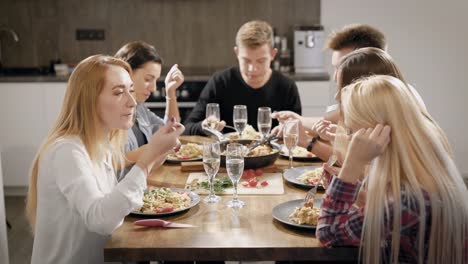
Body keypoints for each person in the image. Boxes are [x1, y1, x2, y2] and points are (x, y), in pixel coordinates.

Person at [25, 55, 184, 264]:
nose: (132, 101)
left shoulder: (101, 143)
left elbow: (111, 203)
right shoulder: (66, 151)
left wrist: (159, 152)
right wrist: (146, 161)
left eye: (131, 90)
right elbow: (101, 219)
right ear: (88, 100)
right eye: (119, 92)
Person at [316, 75, 468, 263]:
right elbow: (381, 211)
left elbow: (328, 233)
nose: (349, 138)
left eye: (351, 131)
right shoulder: (425, 170)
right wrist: (351, 190)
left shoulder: (409, 200)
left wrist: (351, 167)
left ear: (376, 132)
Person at [184, 20, 301, 135]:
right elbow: (188, 127)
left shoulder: (287, 87)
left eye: (261, 61)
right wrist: (203, 127)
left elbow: (297, 133)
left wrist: (289, 130)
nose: (252, 69)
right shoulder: (220, 82)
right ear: (236, 53)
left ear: (273, 54)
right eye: (246, 60)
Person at [114, 41, 184, 169]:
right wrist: (151, 150)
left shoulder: (138, 108)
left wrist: (170, 92)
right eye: (148, 79)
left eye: (155, 80)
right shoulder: (108, 112)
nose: (153, 88)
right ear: (126, 72)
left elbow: (169, 128)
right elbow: (106, 163)